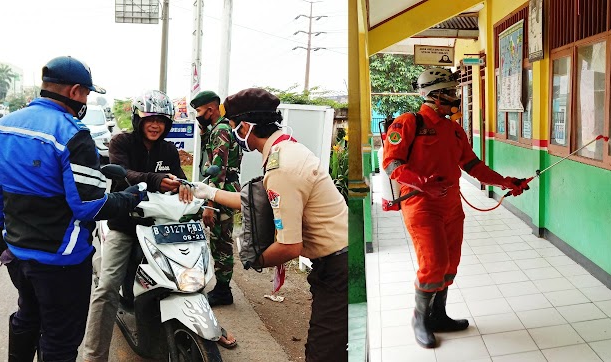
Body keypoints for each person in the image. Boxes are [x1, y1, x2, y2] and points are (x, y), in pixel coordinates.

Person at [0, 56, 144, 361]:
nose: (86, 100)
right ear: (76, 91)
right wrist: (131, 197)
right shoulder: (72, 133)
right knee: (60, 338)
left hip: (17, 252)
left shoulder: (5, 126)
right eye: (87, 94)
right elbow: (89, 207)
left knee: (27, 317)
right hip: (61, 260)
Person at [192, 88, 348, 362]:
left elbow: (289, 246)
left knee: (323, 353)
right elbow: (257, 201)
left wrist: (253, 258)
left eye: (233, 126)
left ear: (247, 126)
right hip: (338, 260)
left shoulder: (282, 166)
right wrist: (208, 193)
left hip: (339, 268)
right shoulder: (285, 148)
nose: (233, 133)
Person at [82, 90, 236, 361]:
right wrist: (154, 179)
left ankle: (201, 319)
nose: (156, 125)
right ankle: (93, 355)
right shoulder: (121, 142)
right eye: (150, 119)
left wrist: (185, 189)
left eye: (162, 121)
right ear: (138, 120)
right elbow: (123, 171)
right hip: (127, 224)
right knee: (106, 288)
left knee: (188, 275)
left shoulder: (168, 150)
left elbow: (176, 179)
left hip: (163, 225)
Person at [383, 67, 529, 349]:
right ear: (433, 95)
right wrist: (423, 184)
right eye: (450, 93)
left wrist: (504, 182)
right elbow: (391, 164)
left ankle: (438, 316)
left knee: (450, 264)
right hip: (421, 204)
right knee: (433, 263)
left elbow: (472, 165)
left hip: (451, 205)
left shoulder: (454, 129)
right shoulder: (407, 123)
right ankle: (420, 319)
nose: (455, 98)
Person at [190, 90, 242, 306]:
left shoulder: (221, 130)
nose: (197, 115)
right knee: (217, 238)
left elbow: (218, 170)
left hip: (221, 188)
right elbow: (209, 157)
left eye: (199, 111)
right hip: (220, 188)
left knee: (221, 241)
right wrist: (203, 131)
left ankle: (223, 290)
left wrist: (210, 206)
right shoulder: (217, 129)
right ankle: (220, 286)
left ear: (210, 109)